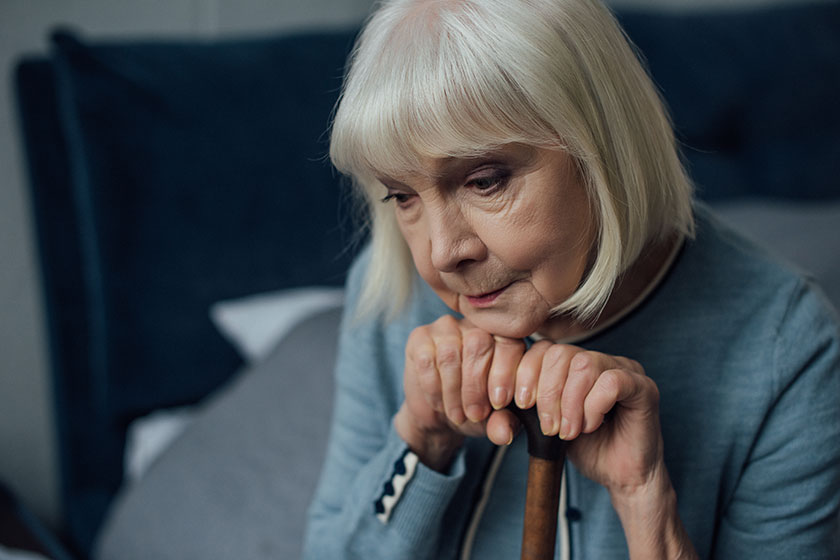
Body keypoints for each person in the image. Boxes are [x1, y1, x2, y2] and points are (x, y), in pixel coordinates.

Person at [302, 0, 840, 558]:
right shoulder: (393, 293)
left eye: (485, 181)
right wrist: (421, 439)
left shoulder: (787, 349)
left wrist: (644, 501)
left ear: (603, 147)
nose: (442, 254)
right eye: (403, 196)